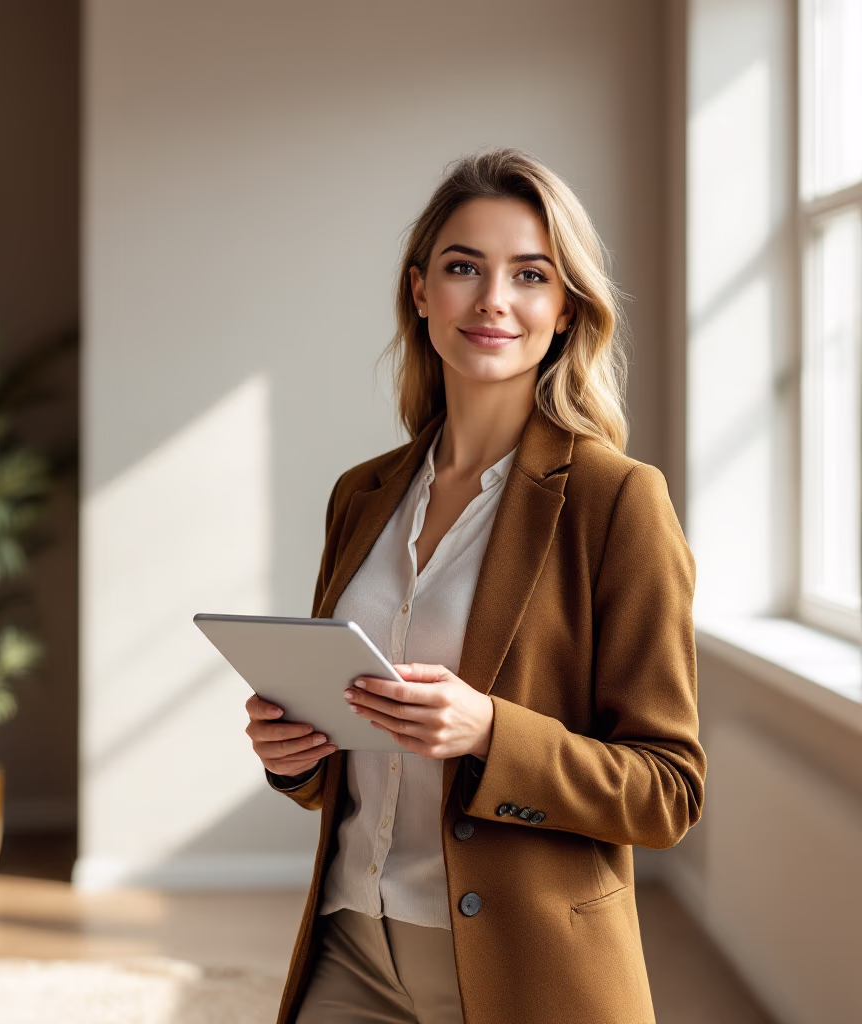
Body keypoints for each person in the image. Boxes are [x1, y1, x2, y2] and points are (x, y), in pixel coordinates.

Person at [244, 148, 705, 1024]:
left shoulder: (618, 503)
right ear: (421, 292)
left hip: (527, 970)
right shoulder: (362, 495)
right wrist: (292, 756)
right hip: (350, 942)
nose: (494, 299)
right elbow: (344, 766)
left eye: (530, 274)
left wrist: (491, 732)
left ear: (565, 309)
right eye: (464, 268)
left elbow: (668, 788)